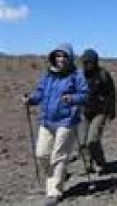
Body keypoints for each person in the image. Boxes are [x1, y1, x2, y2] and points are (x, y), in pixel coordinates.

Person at [22, 43, 88, 206]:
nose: (61, 59)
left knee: (58, 155)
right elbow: (40, 92)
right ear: (53, 57)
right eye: (58, 56)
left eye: (65, 56)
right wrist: (31, 99)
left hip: (67, 120)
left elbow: (85, 94)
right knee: (41, 154)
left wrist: (72, 98)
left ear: (70, 58)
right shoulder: (48, 75)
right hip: (47, 120)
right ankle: (59, 176)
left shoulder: (76, 75)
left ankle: (54, 192)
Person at [77, 49, 116, 174]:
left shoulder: (103, 74)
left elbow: (111, 94)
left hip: (100, 111)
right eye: (84, 62)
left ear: (95, 62)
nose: (86, 65)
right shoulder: (80, 76)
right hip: (84, 111)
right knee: (82, 141)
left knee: (92, 140)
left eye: (89, 62)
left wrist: (112, 111)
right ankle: (88, 165)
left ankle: (100, 163)